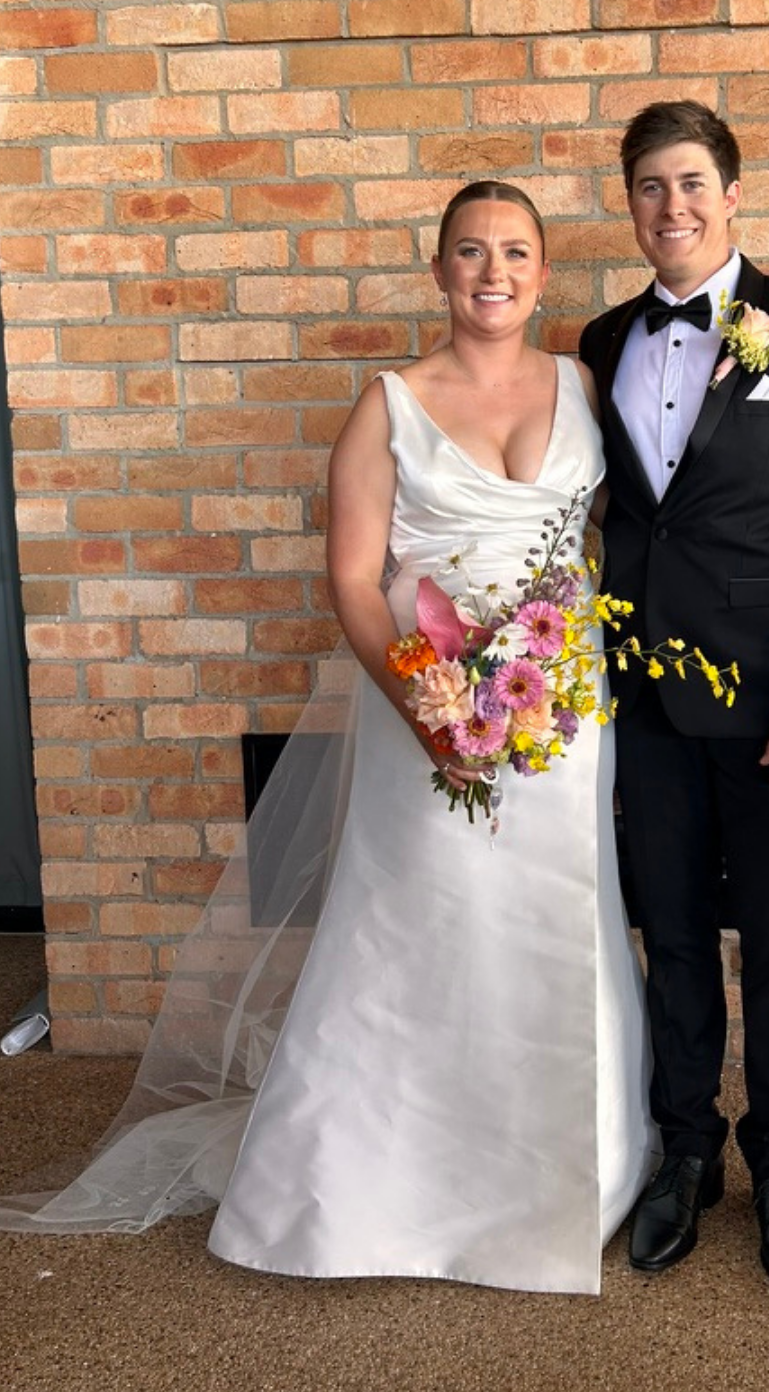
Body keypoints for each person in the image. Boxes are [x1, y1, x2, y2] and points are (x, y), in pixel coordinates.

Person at [0, 182, 656, 1295]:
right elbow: (353, 579)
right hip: (425, 708)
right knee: (423, 921)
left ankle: (572, 1172)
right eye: (468, 252)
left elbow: (618, 534)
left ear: (543, 272)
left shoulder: (583, 384)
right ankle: (385, 1176)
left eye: (513, 252)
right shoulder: (387, 404)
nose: (491, 272)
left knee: (565, 916)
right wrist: (425, 708)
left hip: (565, 711)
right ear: (439, 270)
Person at [577, 101, 769, 1295]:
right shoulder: (601, 341)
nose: (673, 206)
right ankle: (685, 1156)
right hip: (642, 702)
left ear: (732, 192)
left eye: (692, 182)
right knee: (671, 944)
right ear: (632, 202)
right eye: (650, 186)